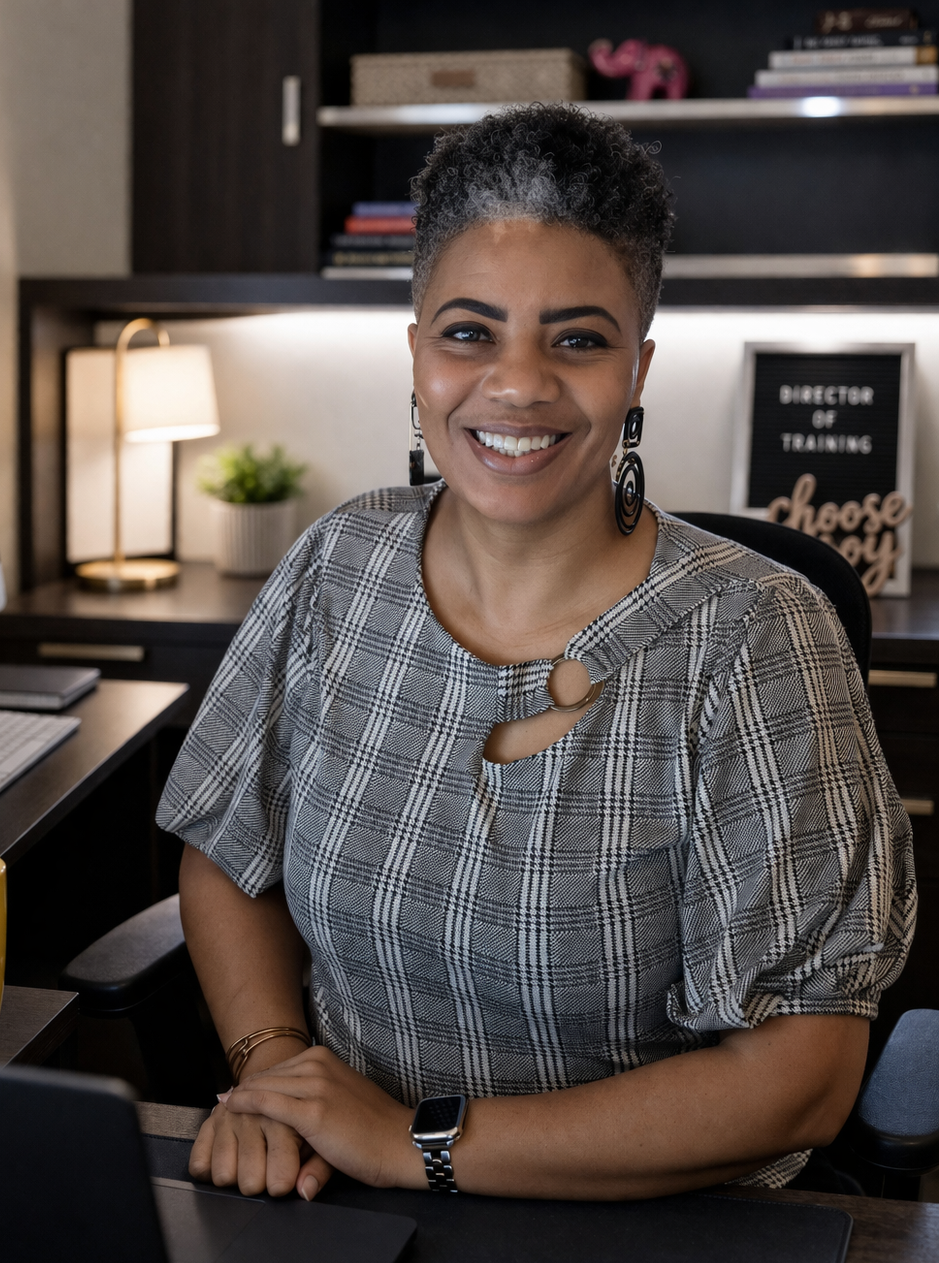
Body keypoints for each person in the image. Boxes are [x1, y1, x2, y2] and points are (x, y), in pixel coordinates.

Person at [157, 104, 915, 1202]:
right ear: (417, 351)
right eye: (469, 332)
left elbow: (799, 1080)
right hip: (339, 1197)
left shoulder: (755, 637)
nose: (516, 385)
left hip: (651, 1236)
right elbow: (227, 854)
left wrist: (417, 1144)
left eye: (577, 338)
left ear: (637, 369)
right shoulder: (339, 563)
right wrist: (277, 1073)